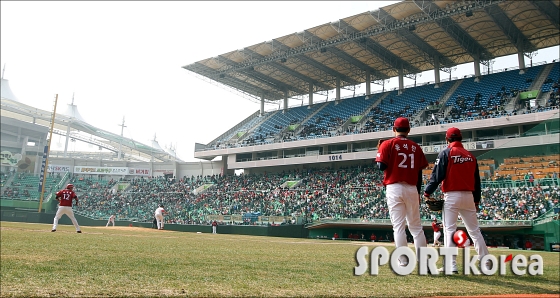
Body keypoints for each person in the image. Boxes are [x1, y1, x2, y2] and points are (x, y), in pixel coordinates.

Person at [423, 127, 490, 273]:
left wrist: (427, 192)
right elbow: (477, 182)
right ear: (461, 139)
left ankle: (451, 265)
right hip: (469, 196)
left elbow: (437, 176)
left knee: (449, 230)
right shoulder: (471, 156)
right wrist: (476, 201)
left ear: (447, 139)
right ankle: (486, 262)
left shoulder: (446, 152)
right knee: (474, 231)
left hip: (452, 196)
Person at [376, 117, 428, 267]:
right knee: (416, 227)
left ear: (394, 129)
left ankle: (403, 262)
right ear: (409, 130)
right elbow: (419, 173)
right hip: (412, 188)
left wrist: (380, 150)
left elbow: (381, 166)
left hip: (394, 187)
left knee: (398, 227)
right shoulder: (415, 147)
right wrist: (417, 192)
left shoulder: (387, 144)